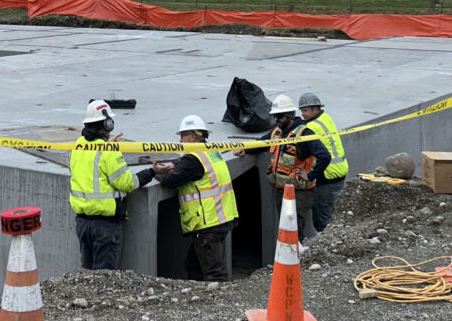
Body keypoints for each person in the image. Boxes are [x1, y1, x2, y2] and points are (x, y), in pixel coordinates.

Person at [69, 99, 159, 269]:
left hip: (82, 223)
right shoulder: (108, 151)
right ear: (107, 124)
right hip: (105, 225)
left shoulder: (78, 146)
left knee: (87, 278)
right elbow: (127, 183)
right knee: (105, 280)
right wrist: (152, 172)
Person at [153, 115, 239, 281]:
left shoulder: (193, 158)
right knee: (194, 265)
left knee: (214, 271)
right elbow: (195, 171)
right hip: (221, 218)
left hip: (208, 223)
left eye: (183, 136)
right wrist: (178, 166)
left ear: (192, 137)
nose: (180, 141)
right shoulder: (212, 152)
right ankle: (203, 298)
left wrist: (156, 172)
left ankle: (220, 302)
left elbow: (171, 181)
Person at [235, 93, 330, 244]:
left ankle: (296, 262)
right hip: (282, 190)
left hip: (299, 193)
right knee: (286, 230)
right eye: (275, 116)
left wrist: (311, 175)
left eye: (280, 117)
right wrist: (246, 150)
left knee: (294, 231)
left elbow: (325, 156)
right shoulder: (277, 132)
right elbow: (262, 143)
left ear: (290, 116)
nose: (276, 120)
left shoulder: (304, 134)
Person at [298, 91, 348, 235]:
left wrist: (312, 174)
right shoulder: (325, 118)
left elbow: (302, 153)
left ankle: (328, 247)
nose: (302, 114)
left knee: (322, 220)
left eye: (305, 110)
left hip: (327, 177)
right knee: (332, 214)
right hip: (339, 173)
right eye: (301, 110)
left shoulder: (312, 128)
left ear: (315, 109)